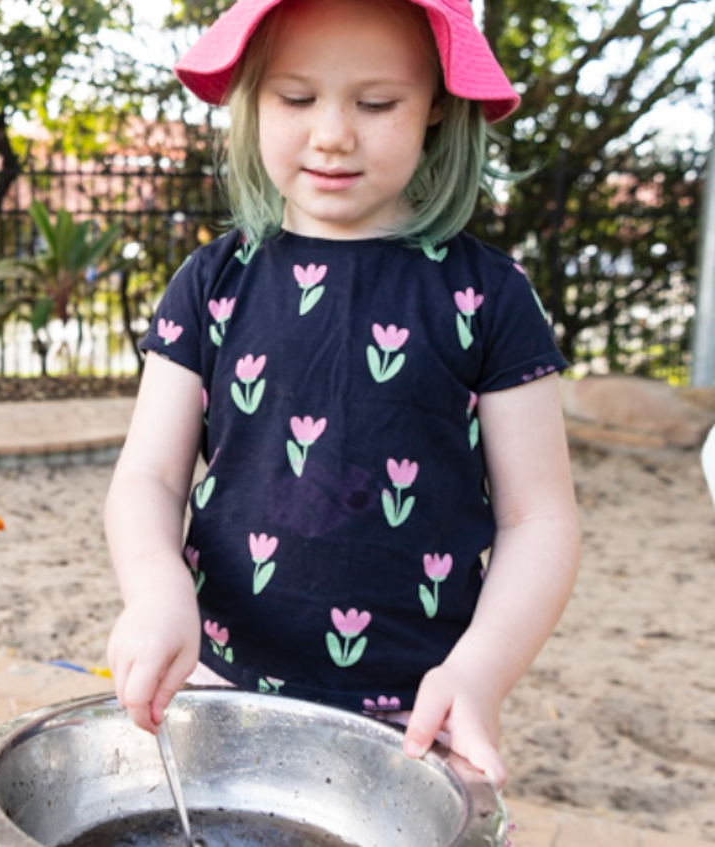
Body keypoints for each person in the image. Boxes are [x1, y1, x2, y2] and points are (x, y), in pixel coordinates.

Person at [104, 0, 579, 787]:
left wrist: (480, 674)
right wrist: (155, 594)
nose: (332, 133)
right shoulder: (209, 283)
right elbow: (147, 477)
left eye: (377, 103)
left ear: (436, 109)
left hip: (419, 711)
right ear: (253, 99)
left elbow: (541, 517)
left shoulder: (490, 296)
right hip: (216, 679)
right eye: (295, 98)